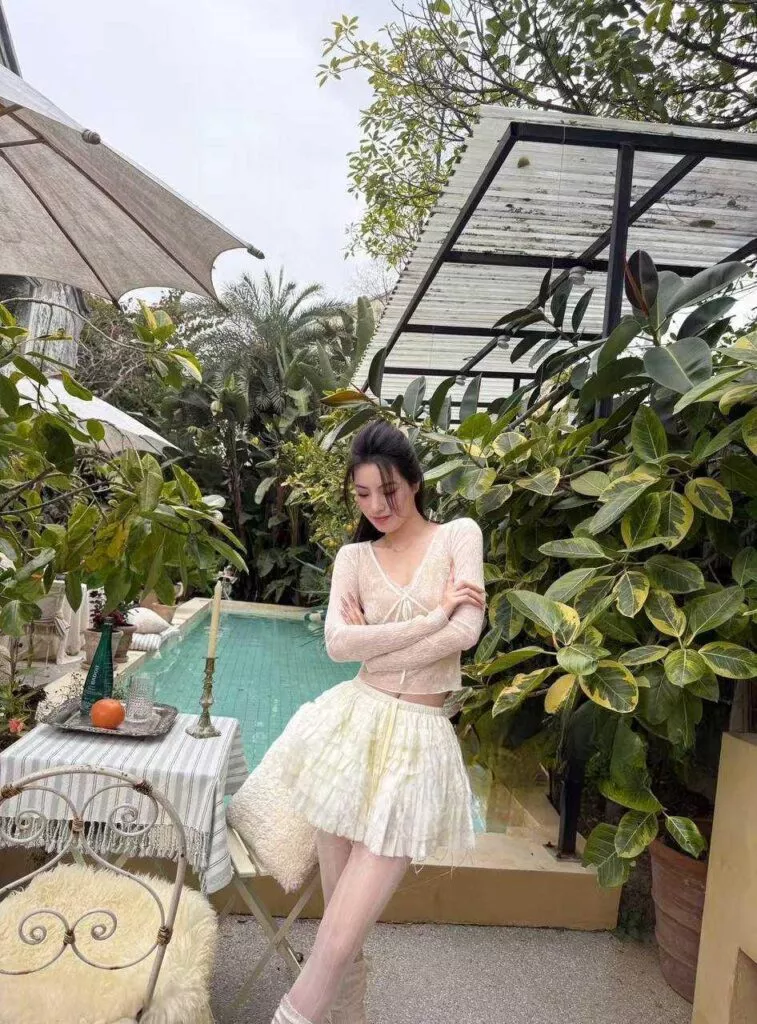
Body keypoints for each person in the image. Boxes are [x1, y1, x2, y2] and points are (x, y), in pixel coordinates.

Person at [268, 418, 486, 1024]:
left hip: (417, 738)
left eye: (387, 491)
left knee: (337, 936)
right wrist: (431, 619)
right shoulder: (354, 557)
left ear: (413, 481)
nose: (377, 506)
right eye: (363, 494)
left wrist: (378, 643)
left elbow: (466, 634)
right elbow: (338, 646)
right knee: (342, 931)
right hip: (351, 730)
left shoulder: (459, 536)